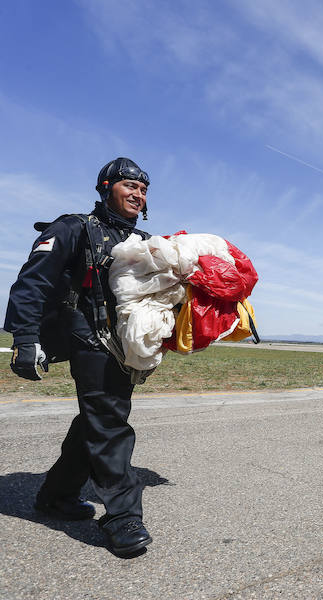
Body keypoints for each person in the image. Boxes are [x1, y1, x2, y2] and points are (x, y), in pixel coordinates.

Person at [5, 157, 154, 557]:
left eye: (143, 190)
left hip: (124, 346)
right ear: (106, 187)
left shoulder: (145, 244)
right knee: (108, 421)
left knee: (96, 419)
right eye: (129, 186)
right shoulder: (73, 228)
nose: (138, 194)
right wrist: (25, 336)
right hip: (86, 337)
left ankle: (57, 496)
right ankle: (122, 516)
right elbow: (33, 281)